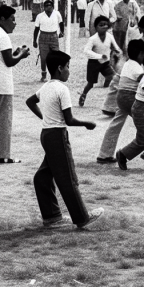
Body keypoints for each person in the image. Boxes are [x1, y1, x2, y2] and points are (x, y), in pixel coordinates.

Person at [26, 50, 106, 229]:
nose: (69, 71)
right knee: (68, 178)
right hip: (57, 135)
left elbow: (29, 102)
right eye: (68, 67)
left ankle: (51, 216)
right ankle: (82, 218)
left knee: (43, 176)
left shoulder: (46, 87)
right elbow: (69, 120)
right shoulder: (62, 89)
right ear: (60, 68)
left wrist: (44, 117)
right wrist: (87, 123)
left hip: (46, 135)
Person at [0, 4, 31, 163]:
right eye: (12, 19)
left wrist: (15, 54)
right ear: (2, 19)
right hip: (1, 80)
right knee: (3, 118)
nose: (14, 23)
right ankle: (1, 155)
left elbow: (1, 57)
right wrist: (21, 55)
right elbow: (9, 61)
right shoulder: (3, 36)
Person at [96, 40, 144, 164]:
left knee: (117, 122)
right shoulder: (135, 67)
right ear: (140, 54)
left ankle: (104, 154)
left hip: (124, 94)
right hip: (127, 95)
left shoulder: (131, 64)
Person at [79, 16, 119, 107]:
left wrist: (118, 52)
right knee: (90, 84)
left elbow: (116, 47)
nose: (104, 27)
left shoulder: (110, 36)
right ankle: (83, 94)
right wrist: (99, 56)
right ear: (96, 27)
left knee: (115, 78)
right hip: (94, 63)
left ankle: (113, 100)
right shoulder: (92, 39)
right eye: (101, 25)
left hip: (105, 63)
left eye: (105, 24)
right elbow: (86, 51)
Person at [33, 0, 64, 81]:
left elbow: (61, 23)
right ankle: (43, 75)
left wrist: (62, 32)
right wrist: (34, 41)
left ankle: (55, 75)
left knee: (55, 57)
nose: (48, 7)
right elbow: (36, 29)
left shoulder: (57, 14)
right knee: (44, 58)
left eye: (50, 5)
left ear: (53, 6)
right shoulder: (40, 16)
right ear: (44, 7)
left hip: (54, 36)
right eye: (46, 5)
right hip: (43, 37)